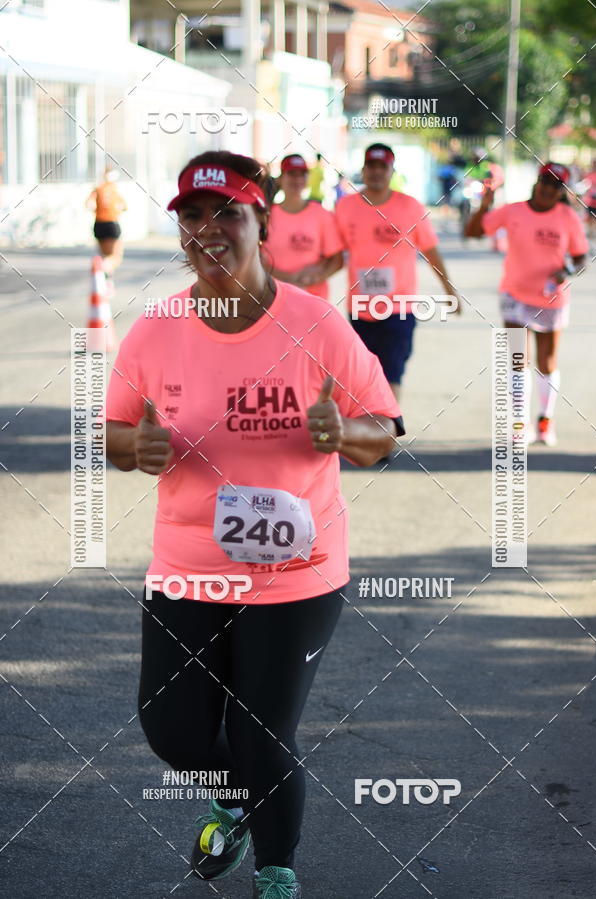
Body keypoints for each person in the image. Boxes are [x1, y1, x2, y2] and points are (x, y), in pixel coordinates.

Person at [105, 150, 404, 899]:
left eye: (228, 213)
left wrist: (347, 435)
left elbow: (386, 433)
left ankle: (277, 873)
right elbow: (109, 431)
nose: (209, 229)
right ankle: (235, 799)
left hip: (296, 576)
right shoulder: (157, 329)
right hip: (187, 566)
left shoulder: (317, 323)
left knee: (261, 734)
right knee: (171, 730)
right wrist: (131, 447)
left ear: (261, 222)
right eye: (193, 216)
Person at [465, 162, 588, 445]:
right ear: (537, 182)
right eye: (546, 181)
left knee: (547, 363)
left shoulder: (567, 217)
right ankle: (519, 424)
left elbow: (582, 257)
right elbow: (473, 232)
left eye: (556, 186)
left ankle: (545, 420)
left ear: (561, 192)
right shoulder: (513, 211)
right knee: (519, 361)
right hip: (514, 295)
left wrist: (566, 271)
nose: (548, 189)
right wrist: (484, 204)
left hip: (551, 298)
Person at [334, 143, 458, 402]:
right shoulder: (346, 207)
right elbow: (335, 254)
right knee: (362, 379)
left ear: (392, 171)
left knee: (391, 377)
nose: (376, 172)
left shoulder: (410, 207)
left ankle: (387, 434)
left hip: (399, 309)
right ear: (363, 170)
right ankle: (369, 433)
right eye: (371, 166)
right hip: (360, 308)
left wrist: (450, 291)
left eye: (383, 167)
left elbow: (431, 252)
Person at [261, 154, 344, 300]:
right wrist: (288, 279)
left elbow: (337, 259)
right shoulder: (266, 216)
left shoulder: (321, 214)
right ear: (281, 178)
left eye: (302, 175)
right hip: (273, 298)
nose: (297, 180)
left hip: (313, 300)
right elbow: (256, 259)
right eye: (292, 174)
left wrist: (318, 276)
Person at [86, 167, 127, 276]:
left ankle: (106, 281)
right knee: (116, 256)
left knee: (104, 254)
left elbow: (88, 204)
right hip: (112, 223)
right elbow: (124, 206)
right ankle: (102, 268)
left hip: (99, 223)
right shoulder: (114, 189)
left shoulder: (98, 188)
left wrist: (97, 210)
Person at [580, 159, 596, 241]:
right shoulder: (588, 174)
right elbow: (584, 185)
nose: (595, 165)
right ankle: (590, 233)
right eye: (594, 164)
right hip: (590, 201)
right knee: (589, 217)